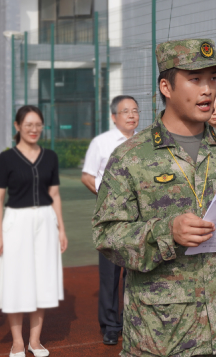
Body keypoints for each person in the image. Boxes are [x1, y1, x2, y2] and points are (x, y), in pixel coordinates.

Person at [93, 38, 216, 357]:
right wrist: (167, 232)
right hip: (162, 335)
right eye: (195, 79)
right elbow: (106, 235)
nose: (207, 90)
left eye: (212, 78)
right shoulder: (131, 156)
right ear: (166, 87)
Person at [0, 105, 67, 357]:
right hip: (16, 222)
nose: (34, 129)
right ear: (17, 126)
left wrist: (61, 229)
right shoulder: (6, 159)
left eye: (38, 125)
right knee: (15, 280)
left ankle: (35, 341)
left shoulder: (50, 157)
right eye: (28, 124)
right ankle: (17, 343)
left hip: (45, 221)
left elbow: (55, 195)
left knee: (42, 279)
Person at [81, 95, 139, 346]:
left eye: (135, 110)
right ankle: (110, 326)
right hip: (111, 218)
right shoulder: (101, 143)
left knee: (135, 271)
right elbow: (87, 176)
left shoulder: (144, 141)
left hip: (139, 218)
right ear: (114, 117)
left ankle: (131, 321)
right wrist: (108, 197)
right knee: (110, 275)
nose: (132, 115)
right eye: (125, 111)